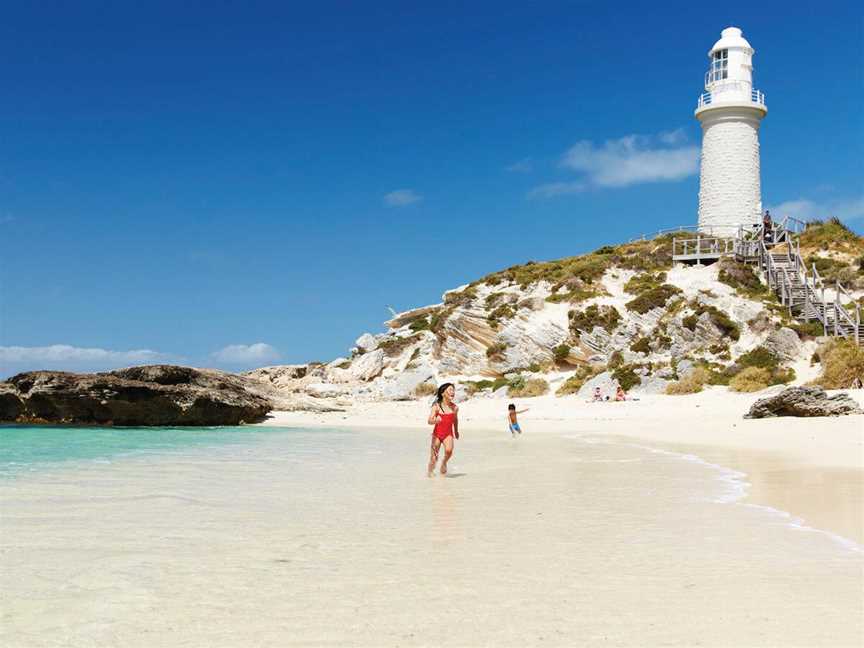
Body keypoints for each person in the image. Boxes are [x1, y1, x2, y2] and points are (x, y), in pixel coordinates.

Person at [427, 383, 459, 477]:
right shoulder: (436, 406)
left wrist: (456, 431)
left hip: (448, 433)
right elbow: (429, 420)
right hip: (437, 434)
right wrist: (435, 420)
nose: (452, 392)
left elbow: (455, 420)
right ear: (443, 393)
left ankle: (444, 462)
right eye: (450, 390)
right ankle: (430, 473)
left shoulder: (455, 408)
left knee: (449, 451)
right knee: (434, 457)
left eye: (453, 390)